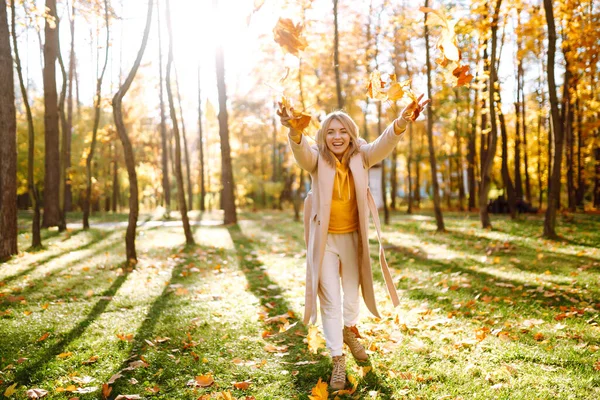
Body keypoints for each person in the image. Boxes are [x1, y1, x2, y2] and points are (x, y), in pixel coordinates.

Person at [278, 94, 430, 390]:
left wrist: (402, 121)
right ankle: (337, 359)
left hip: (352, 238)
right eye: (331, 132)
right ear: (324, 136)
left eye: (343, 131)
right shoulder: (316, 157)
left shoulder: (362, 155)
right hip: (325, 241)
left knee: (351, 298)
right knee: (330, 301)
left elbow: (385, 142)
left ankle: (349, 329)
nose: (337, 137)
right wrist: (294, 131)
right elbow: (300, 151)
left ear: (351, 134)